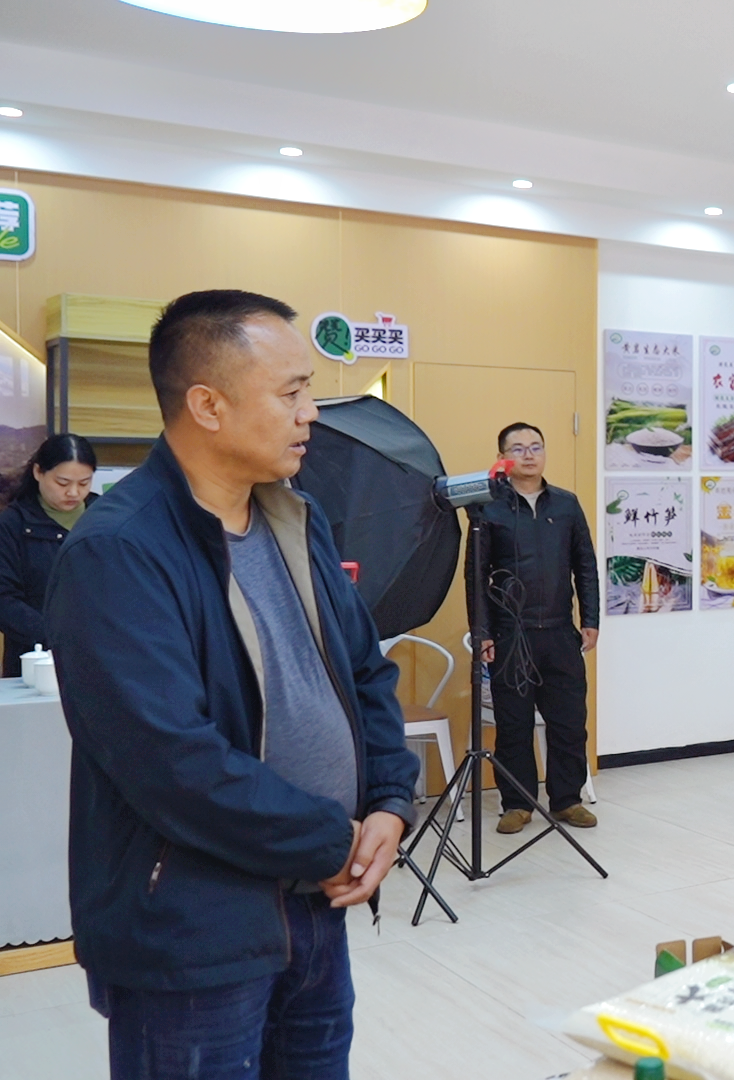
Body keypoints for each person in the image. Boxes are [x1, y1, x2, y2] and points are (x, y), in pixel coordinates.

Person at [44, 289, 419, 1079]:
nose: (311, 414)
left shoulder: (297, 518)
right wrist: (332, 841)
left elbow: (364, 670)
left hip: (316, 905)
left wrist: (390, 798)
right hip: (193, 930)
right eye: (292, 393)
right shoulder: (120, 551)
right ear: (207, 405)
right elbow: (170, 761)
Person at [475, 421, 600, 834]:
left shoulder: (566, 504)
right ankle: (518, 803)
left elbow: (585, 566)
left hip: (560, 632)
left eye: (536, 446)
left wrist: (590, 620)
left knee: (569, 723)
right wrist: (483, 632)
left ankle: (566, 800)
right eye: (518, 448)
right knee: (514, 725)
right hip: (512, 634)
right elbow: (475, 575)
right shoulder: (488, 508)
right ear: (502, 457)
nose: (529, 455)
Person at [0, 433, 97, 676]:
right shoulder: (12, 524)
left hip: (100, 657)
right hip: (36, 660)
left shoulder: (105, 517)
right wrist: (57, 636)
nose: (73, 492)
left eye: (84, 483)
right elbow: (4, 599)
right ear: (38, 472)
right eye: (62, 483)